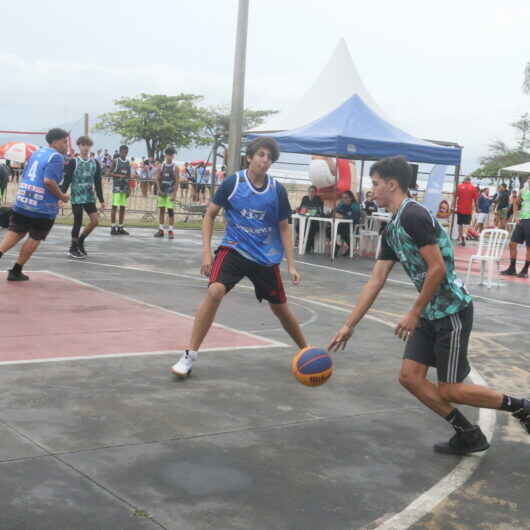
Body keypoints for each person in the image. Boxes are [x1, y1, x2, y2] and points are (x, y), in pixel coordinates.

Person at [328, 155, 529, 453]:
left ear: (392, 184)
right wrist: (349, 325)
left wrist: (414, 312)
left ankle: (521, 406)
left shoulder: (413, 215)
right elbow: (376, 280)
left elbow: (437, 269)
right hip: (430, 312)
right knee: (410, 377)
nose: (372, 190)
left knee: (451, 389)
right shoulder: (393, 227)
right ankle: (468, 434)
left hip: (452, 310)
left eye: (375, 184)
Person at [171, 137, 307, 377]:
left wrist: (291, 264)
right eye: (261, 155)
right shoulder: (233, 183)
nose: (265, 161)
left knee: (281, 309)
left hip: (265, 257)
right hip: (234, 249)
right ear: (250, 157)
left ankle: (306, 351)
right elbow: (209, 215)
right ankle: (189, 355)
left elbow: (284, 228)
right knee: (215, 291)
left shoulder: (277, 190)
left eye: (270, 158)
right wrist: (206, 253)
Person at [0, 128, 70, 281]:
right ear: (56, 142)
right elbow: (49, 181)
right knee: (34, 237)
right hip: (42, 206)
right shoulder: (56, 157)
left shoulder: (36, 153)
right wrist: (62, 196)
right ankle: (16, 270)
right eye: (65, 142)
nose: (66, 145)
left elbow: (25, 176)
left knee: (15, 232)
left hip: (23, 199)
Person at [61, 136, 105, 258]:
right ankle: (72, 248)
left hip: (89, 197)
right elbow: (67, 181)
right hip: (77, 196)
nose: (85, 147)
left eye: (88, 145)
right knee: (78, 222)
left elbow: (98, 182)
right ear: (79, 146)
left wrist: (102, 201)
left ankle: (80, 241)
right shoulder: (73, 162)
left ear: (90, 147)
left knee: (95, 221)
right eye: (83, 145)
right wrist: (61, 196)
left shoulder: (94, 163)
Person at [501, 175, 530, 279]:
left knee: (529, 247)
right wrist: (516, 216)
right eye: (529, 178)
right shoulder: (523, 190)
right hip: (522, 220)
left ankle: (525, 270)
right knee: (512, 244)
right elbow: (516, 203)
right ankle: (512, 268)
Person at [154, 147, 179, 239]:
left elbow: (177, 181)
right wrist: (159, 189)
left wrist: (174, 194)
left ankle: (170, 231)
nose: (170, 157)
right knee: (161, 211)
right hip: (162, 192)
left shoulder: (175, 167)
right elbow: (157, 178)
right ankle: (160, 230)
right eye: (169, 155)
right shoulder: (161, 166)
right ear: (166, 155)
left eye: (172, 155)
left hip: (170, 192)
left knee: (170, 211)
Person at [110, 145, 131, 235]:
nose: (124, 154)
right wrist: (118, 176)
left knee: (122, 208)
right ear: (119, 151)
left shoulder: (127, 162)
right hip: (117, 188)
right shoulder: (116, 161)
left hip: (124, 188)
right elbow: (108, 172)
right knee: (115, 207)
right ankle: (113, 227)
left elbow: (129, 176)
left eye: (126, 152)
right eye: (123, 152)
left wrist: (129, 189)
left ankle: (121, 227)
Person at [297, 185, 323, 253]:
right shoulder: (305, 198)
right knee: (297, 226)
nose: (311, 193)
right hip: (305, 219)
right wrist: (303, 210)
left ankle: (307, 246)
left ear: (315, 192)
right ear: (308, 192)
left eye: (313, 192)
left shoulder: (318, 199)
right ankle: (306, 244)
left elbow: (317, 211)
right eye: (310, 191)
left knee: (311, 228)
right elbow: (301, 209)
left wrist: (306, 211)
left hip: (314, 221)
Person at [335, 190, 361, 256]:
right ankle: (337, 245)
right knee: (330, 228)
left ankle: (340, 246)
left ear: (351, 198)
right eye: (343, 198)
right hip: (341, 224)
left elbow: (354, 218)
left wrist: (342, 216)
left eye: (346, 198)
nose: (344, 199)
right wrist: (335, 214)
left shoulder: (355, 206)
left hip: (353, 225)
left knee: (343, 229)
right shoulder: (342, 204)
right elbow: (335, 212)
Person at [454, 176, 478, 246]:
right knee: (466, 225)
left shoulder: (459, 186)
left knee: (460, 224)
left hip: (460, 208)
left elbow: (455, 197)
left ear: (464, 180)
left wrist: (453, 206)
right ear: (469, 180)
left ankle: (460, 238)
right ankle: (464, 236)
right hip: (468, 209)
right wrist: (477, 208)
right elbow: (476, 200)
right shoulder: (473, 188)